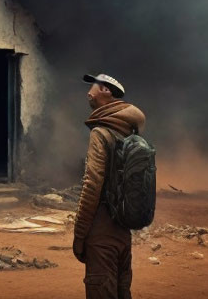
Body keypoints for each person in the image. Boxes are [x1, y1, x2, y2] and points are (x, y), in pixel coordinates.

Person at [73, 73, 146, 299]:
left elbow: (92, 186)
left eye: (93, 86)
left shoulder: (101, 133)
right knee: (122, 291)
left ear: (106, 91)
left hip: (101, 232)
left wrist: (79, 235)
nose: (89, 91)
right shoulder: (129, 134)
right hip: (124, 232)